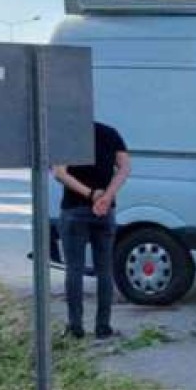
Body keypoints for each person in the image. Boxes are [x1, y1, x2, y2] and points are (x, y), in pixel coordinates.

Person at [53, 121, 130, 340]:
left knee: (74, 269)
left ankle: (75, 326)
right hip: (105, 212)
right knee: (104, 270)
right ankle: (103, 327)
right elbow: (125, 168)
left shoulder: (67, 133)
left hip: (74, 210)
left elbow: (60, 173)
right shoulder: (110, 133)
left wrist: (91, 194)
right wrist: (107, 196)